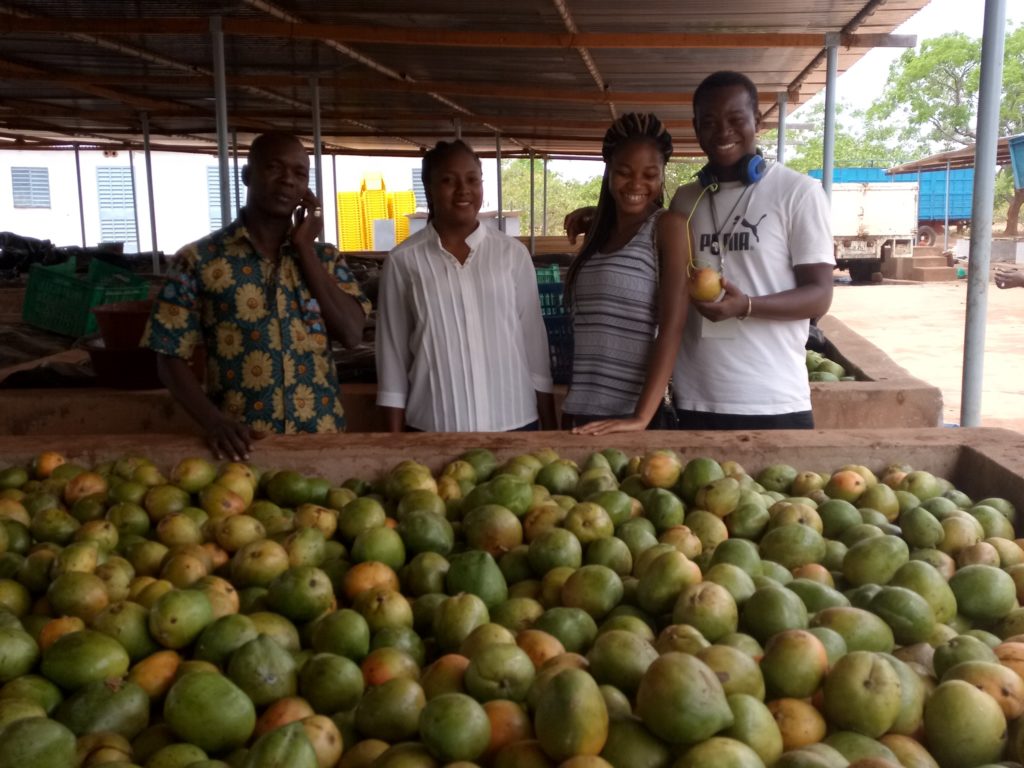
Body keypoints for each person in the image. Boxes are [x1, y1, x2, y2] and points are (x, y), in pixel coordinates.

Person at [566, 70, 834, 430]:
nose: (723, 132)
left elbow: (820, 296)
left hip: (773, 399)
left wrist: (747, 306)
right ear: (695, 128)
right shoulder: (687, 199)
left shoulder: (797, 193)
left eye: (735, 119)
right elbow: (644, 218)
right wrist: (599, 214)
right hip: (694, 399)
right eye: (709, 122)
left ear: (757, 121)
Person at [142, 132, 371, 460]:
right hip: (241, 447)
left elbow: (350, 333)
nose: (287, 180)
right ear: (248, 175)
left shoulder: (326, 260)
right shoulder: (199, 260)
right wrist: (213, 421)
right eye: (274, 168)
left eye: (299, 173)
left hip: (320, 442)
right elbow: (168, 354)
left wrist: (305, 248)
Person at [375, 140, 556, 432]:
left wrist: (550, 428)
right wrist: (394, 445)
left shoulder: (512, 254)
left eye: (472, 180)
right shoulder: (403, 261)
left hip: (515, 424)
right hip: (434, 429)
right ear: (429, 188)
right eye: (449, 180)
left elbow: (535, 346)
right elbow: (392, 360)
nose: (463, 190)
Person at [560, 113, 689, 435]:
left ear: (662, 177)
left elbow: (672, 327)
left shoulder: (668, 227)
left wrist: (640, 417)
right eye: (624, 172)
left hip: (633, 418)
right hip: (581, 412)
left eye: (650, 174)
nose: (636, 184)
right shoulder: (598, 234)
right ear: (608, 172)